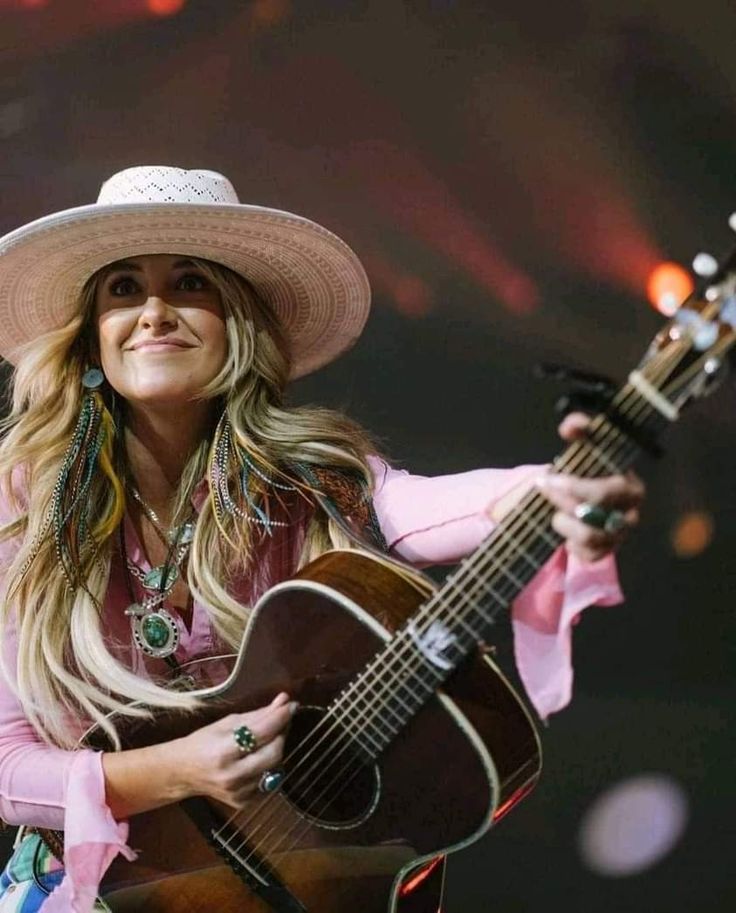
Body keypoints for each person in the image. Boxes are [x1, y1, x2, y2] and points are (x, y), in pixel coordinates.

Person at [0, 166, 644, 912]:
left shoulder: (309, 477)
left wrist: (548, 489)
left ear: (238, 321)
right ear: (92, 338)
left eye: (189, 284)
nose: (153, 311)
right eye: (122, 289)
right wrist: (182, 768)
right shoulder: (24, 499)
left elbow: (418, 511)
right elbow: (7, 766)